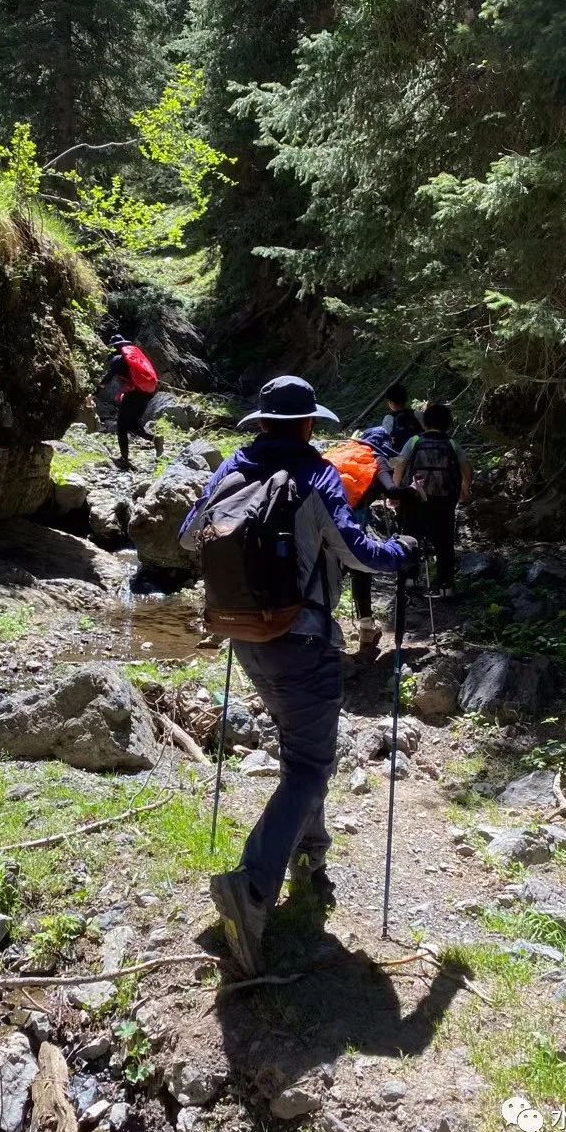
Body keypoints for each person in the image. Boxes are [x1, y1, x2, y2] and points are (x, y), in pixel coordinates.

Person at [179, 376, 417, 976]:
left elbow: (188, 535)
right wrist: (407, 550)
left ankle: (311, 857)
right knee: (311, 766)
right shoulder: (317, 476)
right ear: (310, 424)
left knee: (303, 758)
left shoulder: (231, 469)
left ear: (259, 422)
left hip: (244, 638)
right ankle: (253, 887)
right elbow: (361, 552)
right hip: (303, 641)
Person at [326, 426, 404, 648]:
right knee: (361, 568)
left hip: (322, 521)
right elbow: (391, 490)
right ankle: (366, 628)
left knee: (327, 573)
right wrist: (411, 491)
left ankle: (319, 628)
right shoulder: (376, 459)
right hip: (351, 525)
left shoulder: (342, 452)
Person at [393, 401, 473, 596]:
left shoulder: (414, 442)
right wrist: (465, 488)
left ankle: (410, 580)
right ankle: (446, 586)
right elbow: (467, 469)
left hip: (415, 498)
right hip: (445, 500)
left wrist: (396, 489)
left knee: (411, 536)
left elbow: (400, 465)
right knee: (444, 541)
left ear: (425, 423)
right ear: (448, 424)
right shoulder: (452, 444)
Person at [98, 334, 163, 468]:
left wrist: (95, 392)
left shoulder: (117, 360)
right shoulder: (136, 358)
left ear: (115, 347)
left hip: (133, 394)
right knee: (133, 425)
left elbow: (108, 377)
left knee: (121, 426)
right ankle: (155, 440)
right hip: (146, 394)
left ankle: (124, 458)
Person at [382, 383, 424, 455]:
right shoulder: (417, 414)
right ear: (405, 399)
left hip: (403, 457)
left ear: (391, 403)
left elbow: (389, 441)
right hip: (423, 451)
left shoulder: (388, 419)